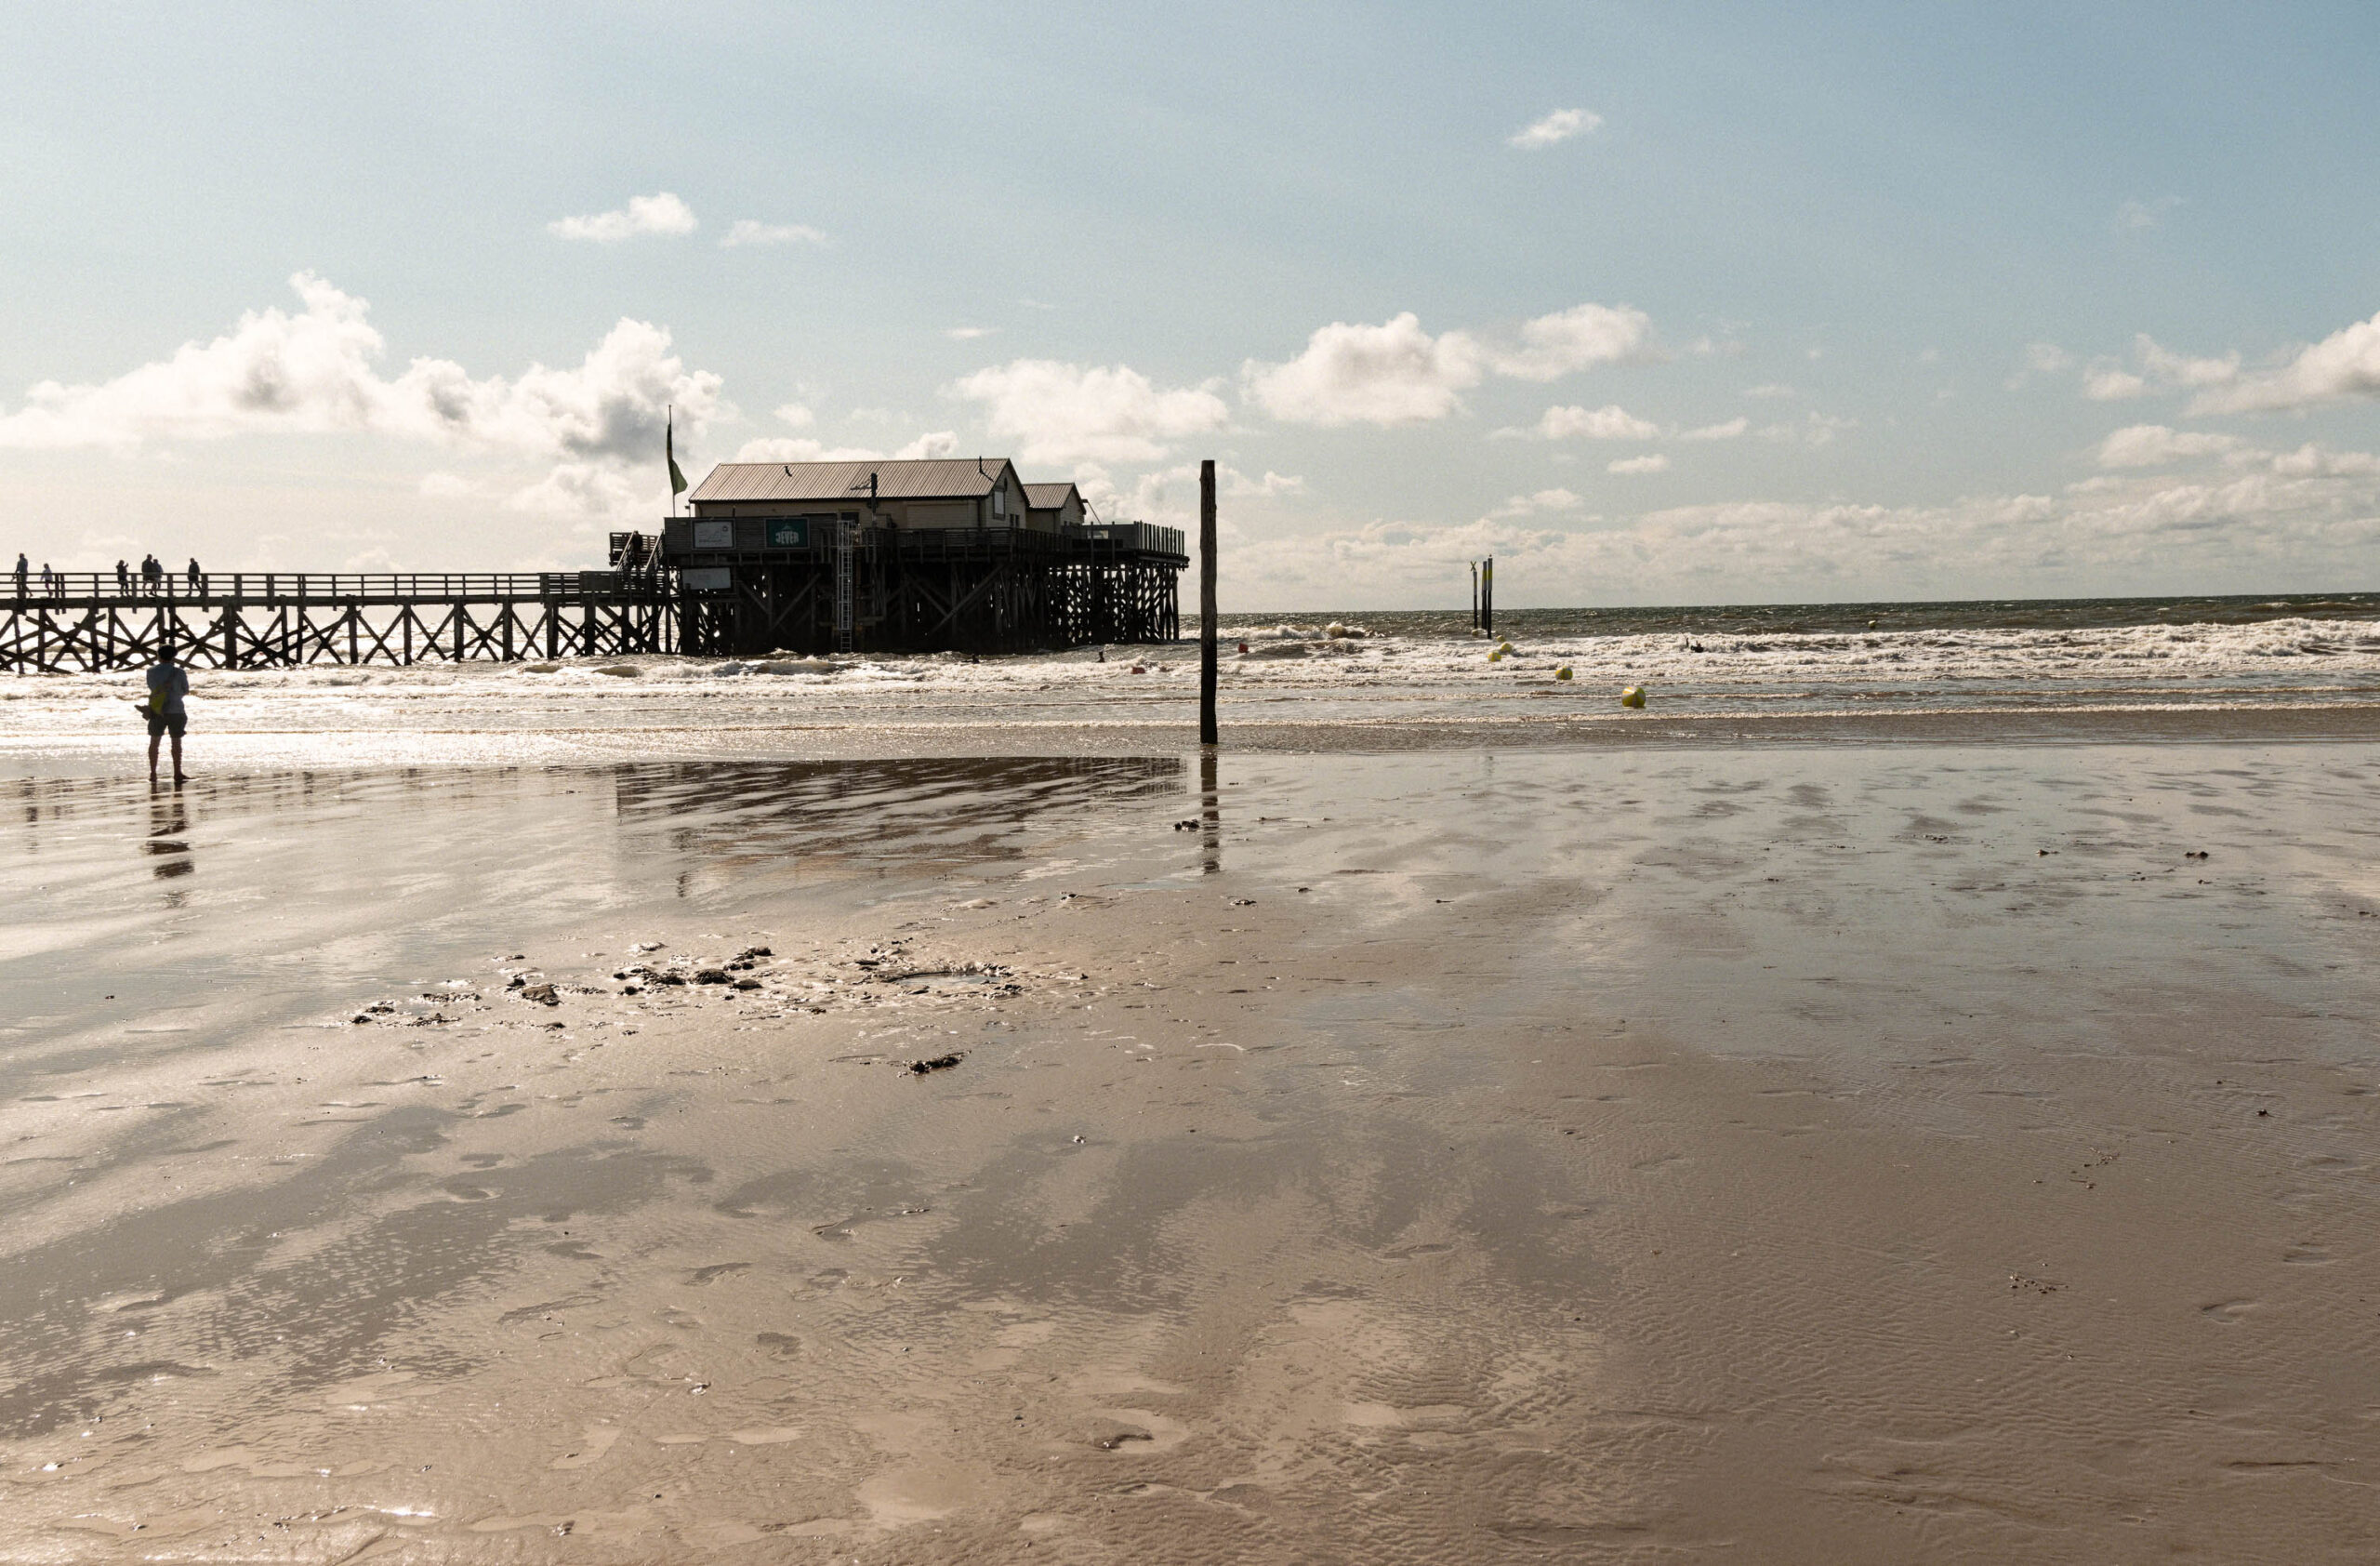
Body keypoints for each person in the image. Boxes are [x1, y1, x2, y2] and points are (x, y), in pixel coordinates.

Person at [145, 640, 191, 786]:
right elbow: (185, 690)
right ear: (174, 657)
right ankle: (177, 772)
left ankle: (153, 773)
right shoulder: (179, 672)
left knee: (154, 742)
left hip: (157, 710)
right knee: (176, 742)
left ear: (158, 655)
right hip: (176, 710)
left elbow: (152, 688)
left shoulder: (150, 671)